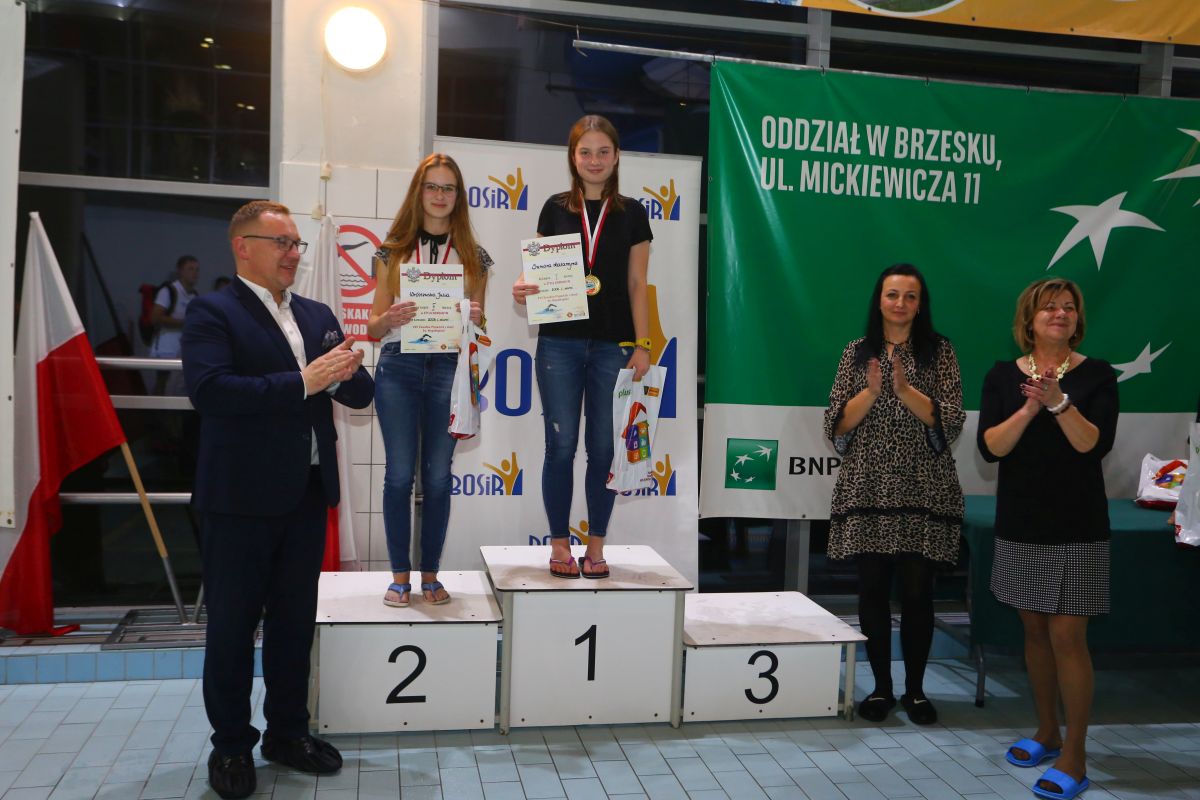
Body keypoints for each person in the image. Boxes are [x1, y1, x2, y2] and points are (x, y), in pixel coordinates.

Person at [182, 200, 373, 800]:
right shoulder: (212, 312)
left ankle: (287, 734)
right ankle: (231, 745)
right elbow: (211, 391)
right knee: (233, 629)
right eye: (281, 243)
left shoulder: (317, 314)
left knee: (293, 626)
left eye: (296, 244)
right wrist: (304, 381)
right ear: (242, 246)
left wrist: (345, 372)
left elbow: (360, 394)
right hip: (238, 500)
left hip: (305, 494)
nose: (293, 253)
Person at [978, 278, 1117, 800]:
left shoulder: (1098, 375)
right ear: (1029, 320)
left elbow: (1092, 445)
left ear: (1078, 319)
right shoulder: (1001, 375)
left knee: (1067, 638)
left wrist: (1059, 402)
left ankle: (1074, 756)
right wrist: (1030, 407)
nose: (1060, 314)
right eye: (1049, 308)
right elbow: (991, 448)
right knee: (1034, 632)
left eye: (1069, 307)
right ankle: (1046, 732)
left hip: (1078, 524)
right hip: (1021, 521)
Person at [823, 263, 964, 725]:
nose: (900, 303)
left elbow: (950, 420)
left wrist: (904, 390)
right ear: (879, 300)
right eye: (892, 295)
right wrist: (871, 392)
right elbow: (835, 424)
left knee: (919, 592)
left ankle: (916, 691)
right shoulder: (856, 352)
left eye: (909, 296)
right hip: (868, 485)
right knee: (872, 590)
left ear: (920, 304)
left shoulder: (939, 351)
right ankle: (881, 689)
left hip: (925, 486)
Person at [512, 114, 652, 578]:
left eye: (603, 152)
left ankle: (595, 547)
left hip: (614, 345)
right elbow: (536, 271)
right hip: (560, 343)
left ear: (617, 156)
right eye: (585, 152)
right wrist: (522, 287)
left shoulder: (633, 213)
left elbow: (638, 283)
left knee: (604, 450)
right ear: (573, 158)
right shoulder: (554, 208)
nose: (595, 160)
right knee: (560, 445)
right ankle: (558, 545)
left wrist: (643, 343)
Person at [367, 153, 491, 607]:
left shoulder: (475, 257)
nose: (440, 196)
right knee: (400, 474)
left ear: (459, 196)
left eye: (448, 188)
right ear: (418, 193)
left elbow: (481, 328)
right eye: (432, 187)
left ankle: (431, 575)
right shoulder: (392, 250)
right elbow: (373, 327)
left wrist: (475, 317)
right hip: (399, 365)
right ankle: (399, 575)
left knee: (438, 477)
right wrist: (389, 317)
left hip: (448, 368)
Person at [150, 255, 201, 395]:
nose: (195, 273)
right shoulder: (168, 291)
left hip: (183, 349)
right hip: (165, 348)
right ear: (180, 271)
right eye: (190, 269)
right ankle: (155, 409)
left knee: (178, 388)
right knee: (162, 385)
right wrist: (184, 323)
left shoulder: (194, 296)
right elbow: (155, 317)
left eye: (197, 269)